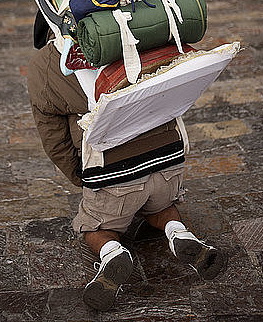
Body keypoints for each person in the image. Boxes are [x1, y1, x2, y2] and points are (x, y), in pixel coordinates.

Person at [27, 36, 228, 313]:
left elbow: (54, 138)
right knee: (162, 206)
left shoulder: (45, 64)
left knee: (95, 228)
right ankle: (179, 233)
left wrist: (82, 177)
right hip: (167, 157)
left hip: (114, 175)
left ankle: (112, 254)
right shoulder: (135, 31)